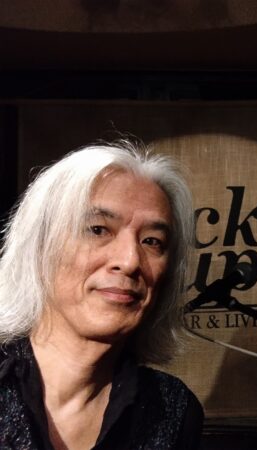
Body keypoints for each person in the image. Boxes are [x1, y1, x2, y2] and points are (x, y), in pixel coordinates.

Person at [0, 141, 204, 449]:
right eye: (98, 230)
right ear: (40, 246)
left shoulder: (172, 411)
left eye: (152, 241)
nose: (130, 261)